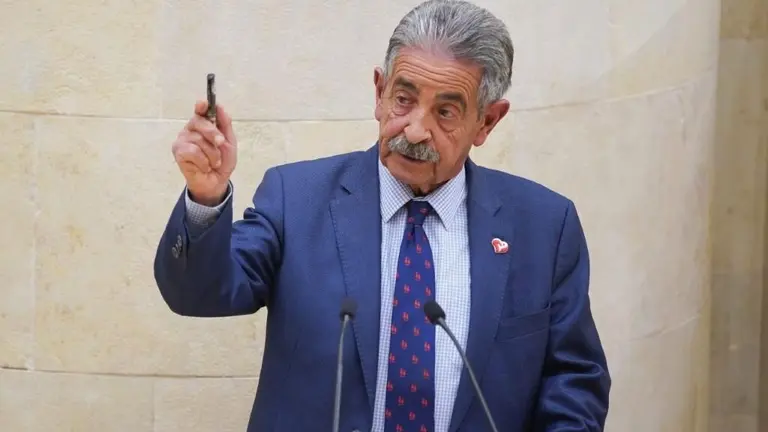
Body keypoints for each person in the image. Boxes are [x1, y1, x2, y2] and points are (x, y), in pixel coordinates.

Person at [154, 1, 611, 431]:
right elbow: (199, 293)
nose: (414, 129)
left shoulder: (544, 227)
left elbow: (574, 379)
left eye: (446, 112)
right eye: (403, 99)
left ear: (487, 122)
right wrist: (206, 198)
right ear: (379, 91)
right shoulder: (297, 199)